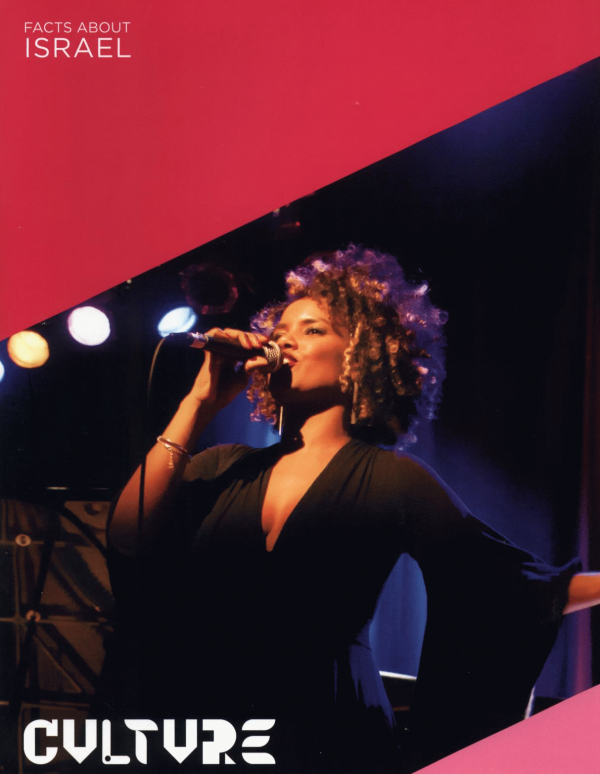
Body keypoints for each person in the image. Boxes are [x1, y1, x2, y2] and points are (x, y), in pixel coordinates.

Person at [106, 246, 600, 773]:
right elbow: (129, 539)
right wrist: (198, 404)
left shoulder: (393, 479)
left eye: (313, 329)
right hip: (215, 726)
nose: (284, 340)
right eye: (280, 330)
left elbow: (508, 589)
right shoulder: (222, 465)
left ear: (362, 355)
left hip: (333, 726)